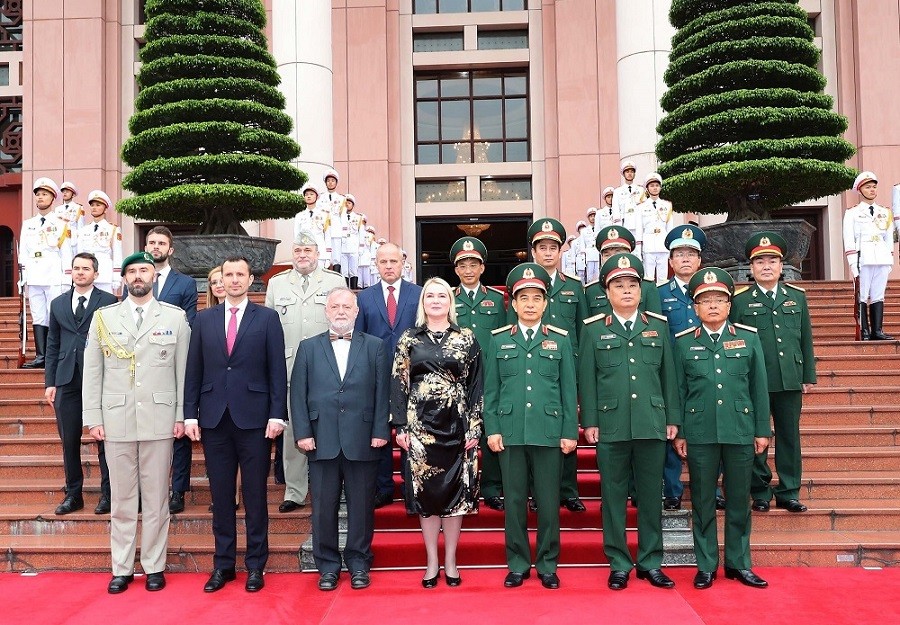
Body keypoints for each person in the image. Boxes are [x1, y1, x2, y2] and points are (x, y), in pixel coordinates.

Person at [82, 251, 190, 594]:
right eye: (132, 271)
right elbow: (92, 373)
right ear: (124, 278)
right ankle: (122, 567)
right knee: (123, 499)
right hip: (117, 421)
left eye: (144, 270)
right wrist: (93, 418)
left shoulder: (174, 318)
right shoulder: (103, 318)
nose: (139, 276)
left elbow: (183, 372)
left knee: (158, 498)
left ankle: (155, 565)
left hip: (159, 419)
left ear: (154, 276)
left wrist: (181, 417)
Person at [184, 256, 287, 593]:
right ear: (220, 281)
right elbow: (193, 371)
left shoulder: (268, 319)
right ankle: (223, 565)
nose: (234, 280)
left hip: (255, 420)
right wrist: (189, 414)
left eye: (240, 274)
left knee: (256, 495)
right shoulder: (203, 319)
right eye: (228, 275)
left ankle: (256, 565)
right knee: (221, 495)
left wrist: (277, 414)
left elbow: (276, 372)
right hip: (214, 419)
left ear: (251, 279)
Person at [578, 253, 681, 591]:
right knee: (613, 496)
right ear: (607, 293)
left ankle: (651, 562)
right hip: (611, 424)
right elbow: (588, 379)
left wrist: (672, 419)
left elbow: (670, 376)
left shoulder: (658, 326)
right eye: (618, 286)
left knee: (652, 496)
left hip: (652, 422)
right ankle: (619, 562)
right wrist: (589, 420)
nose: (626, 291)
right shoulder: (594, 330)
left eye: (632, 285)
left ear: (641, 290)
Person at [673, 267, 770, 590]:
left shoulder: (748, 337)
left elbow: (758, 388)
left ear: (729, 305)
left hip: (740, 430)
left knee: (739, 499)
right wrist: (682, 432)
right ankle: (706, 565)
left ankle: (739, 564)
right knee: (702, 500)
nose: (713, 306)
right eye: (705, 300)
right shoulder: (684, 343)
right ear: (695, 307)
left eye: (719, 300)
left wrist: (761, 430)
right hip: (700, 433)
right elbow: (679, 391)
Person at [485, 263, 577, 590]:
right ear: (513, 303)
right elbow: (491, 390)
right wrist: (492, 428)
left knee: (549, 502)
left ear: (545, 303)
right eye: (523, 298)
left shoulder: (561, 341)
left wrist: (569, 431)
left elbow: (569, 390)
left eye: (536, 298)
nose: (530, 304)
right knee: (513, 502)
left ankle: (548, 563)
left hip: (549, 432)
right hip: (510, 432)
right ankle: (518, 563)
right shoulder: (499, 341)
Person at [292, 287, 390, 592]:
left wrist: (379, 431)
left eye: (347, 306)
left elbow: (383, 393)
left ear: (357, 312)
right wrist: (303, 433)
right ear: (326, 311)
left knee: (361, 507)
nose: (341, 311)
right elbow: (297, 393)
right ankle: (328, 567)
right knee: (323, 507)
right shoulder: (308, 347)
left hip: (363, 439)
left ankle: (359, 563)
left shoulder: (375, 347)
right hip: (320, 441)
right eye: (335, 306)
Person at [392, 278, 483, 588]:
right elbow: (398, 383)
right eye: (429, 295)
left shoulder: (467, 338)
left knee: (455, 494)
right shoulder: (409, 339)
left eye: (441, 295)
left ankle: (451, 561)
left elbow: (476, 385)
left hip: (458, 427)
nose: (435, 300)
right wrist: (401, 426)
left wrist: (475, 425)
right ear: (422, 302)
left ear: (450, 301)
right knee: (426, 494)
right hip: (420, 429)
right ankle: (432, 560)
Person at [731, 232, 816, 513]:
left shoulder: (796, 298)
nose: (766, 266)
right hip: (754, 380)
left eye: (772, 261)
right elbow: (736, 344)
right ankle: (760, 490)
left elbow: (805, 338)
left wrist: (807, 376)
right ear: (751, 268)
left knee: (790, 436)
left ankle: (789, 490)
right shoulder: (740, 302)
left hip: (789, 377)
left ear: (782, 266)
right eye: (760, 262)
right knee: (757, 435)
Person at [506, 217, 586, 513]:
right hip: (530, 367)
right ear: (534, 251)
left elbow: (582, 332)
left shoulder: (575, 288)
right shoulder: (520, 286)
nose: (548, 252)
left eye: (554, 247)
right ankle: (532, 491)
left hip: (564, 369)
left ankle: (568, 490)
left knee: (564, 428)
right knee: (530, 431)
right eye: (542, 247)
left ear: (561, 250)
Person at [266, 233, 345, 513]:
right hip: (289, 367)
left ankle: (332, 488)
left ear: (317, 253)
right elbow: (269, 330)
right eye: (297, 250)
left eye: (307, 250)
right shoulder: (276, 284)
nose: (302, 254)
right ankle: (295, 491)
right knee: (293, 432)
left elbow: (342, 324)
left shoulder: (335, 282)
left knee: (330, 428)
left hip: (328, 367)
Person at [45, 253, 118, 515]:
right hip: (66, 380)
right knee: (69, 440)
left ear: (96, 274)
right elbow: (52, 343)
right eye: (76, 268)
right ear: (71, 272)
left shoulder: (109, 302)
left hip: (100, 379)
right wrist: (50, 382)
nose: (80, 272)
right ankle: (73, 494)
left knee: (105, 439)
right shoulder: (57, 304)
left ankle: (109, 494)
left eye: (86, 268)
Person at [355, 242, 423, 508]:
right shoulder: (364, 297)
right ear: (376, 265)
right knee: (380, 431)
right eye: (383, 262)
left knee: (411, 430)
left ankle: (410, 486)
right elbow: (358, 338)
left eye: (393, 261)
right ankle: (383, 488)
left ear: (402, 263)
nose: (388, 266)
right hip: (377, 376)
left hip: (413, 376)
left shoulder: (418, 294)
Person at [450, 237, 506, 511]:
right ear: (456, 270)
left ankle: (493, 487)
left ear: (482, 268)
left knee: (490, 430)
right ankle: (460, 485)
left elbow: (506, 335)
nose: (468, 270)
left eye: (474, 264)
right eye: (463, 265)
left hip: (490, 375)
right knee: (458, 432)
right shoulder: (448, 298)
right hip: (457, 379)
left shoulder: (496, 299)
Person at [144, 226, 198, 514]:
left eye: (161, 243)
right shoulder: (136, 277)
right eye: (151, 242)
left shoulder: (185, 283)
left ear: (170, 249)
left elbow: (187, 322)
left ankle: (178, 489)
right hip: (141, 365)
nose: (155, 247)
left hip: (173, 362)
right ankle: (150, 489)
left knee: (178, 429)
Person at [658, 224, 708, 511]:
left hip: (705, 371)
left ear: (700, 260)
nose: (685, 259)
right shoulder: (659, 293)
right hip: (674, 373)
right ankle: (673, 490)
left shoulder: (712, 291)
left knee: (706, 431)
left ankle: (710, 489)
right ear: (670, 261)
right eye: (679, 254)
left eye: (691, 253)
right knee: (672, 430)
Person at [21, 178, 73, 369]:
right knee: (38, 315)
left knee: (54, 314)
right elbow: (23, 253)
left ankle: (56, 354)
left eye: (44, 194)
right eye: (38, 194)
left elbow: (66, 253)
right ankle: (41, 356)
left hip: (54, 276)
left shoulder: (61, 223)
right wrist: (23, 277)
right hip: (34, 276)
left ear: (53, 198)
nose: (40, 198)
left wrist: (67, 280)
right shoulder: (28, 224)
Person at [843, 171, 894, 340]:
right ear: (860, 190)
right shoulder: (852, 213)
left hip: (881, 257)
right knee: (862, 295)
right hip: (862, 258)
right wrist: (852, 264)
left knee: (878, 294)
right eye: (868, 187)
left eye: (874, 187)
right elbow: (849, 239)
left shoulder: (885, 212)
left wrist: (890, 259)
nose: (872, 190)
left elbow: (888, 237)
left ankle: (877, 331)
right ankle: (864, 331)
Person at [585, 226, 662, 319]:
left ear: (629, 255)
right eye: (606, 255)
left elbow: (656, 325)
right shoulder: (591, 290)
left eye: (618, 253)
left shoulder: (647, 286)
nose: (612, 258)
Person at [76, 190, 122, 296]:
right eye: (92, 205)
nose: (94, 208)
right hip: (86, 274)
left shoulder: (113, 229)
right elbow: (79, 254)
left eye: (98, 205)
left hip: (105, 274)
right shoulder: (84, 230)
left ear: (105, 209)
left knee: (105, 306)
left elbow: (117, 254)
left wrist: (116, 277)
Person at [638, 172, 673, 282]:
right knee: (648, 277)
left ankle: (662, 298)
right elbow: (639, 228)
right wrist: (639, 247)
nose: (655, 188)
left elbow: (669, 227)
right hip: (648, 245)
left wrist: (670, 246)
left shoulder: (667, 205)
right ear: (647, 188)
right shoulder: (641, 207)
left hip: (662, 244)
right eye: (652, 186)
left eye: (657, 185)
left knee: (663, 277)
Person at [612, 161, 645, 251]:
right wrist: (619, 229)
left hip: (639, 226)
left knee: (639, 252)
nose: (630, 174)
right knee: (626, 250)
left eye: (632, 171)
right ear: (623, 174)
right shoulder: (618, 191)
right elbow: (616, 211)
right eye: (627, 172)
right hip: (625, 225)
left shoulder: (641, 190)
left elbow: (644, 209)